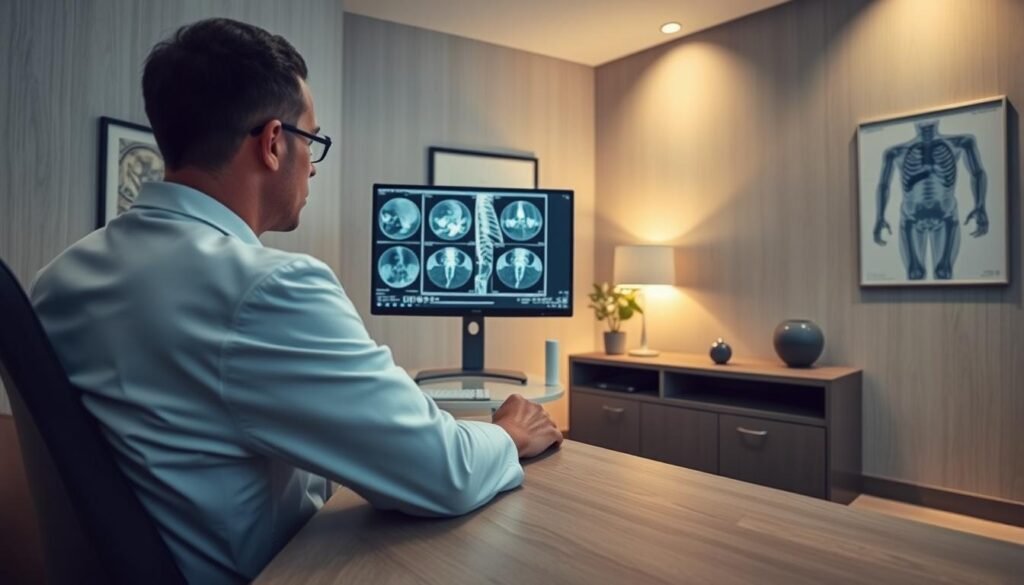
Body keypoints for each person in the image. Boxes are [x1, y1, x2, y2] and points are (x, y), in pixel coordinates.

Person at [30, 18, 562, 585]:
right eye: (313, 142)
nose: (311, 164)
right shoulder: (267, 288)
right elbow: (443, 473)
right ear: (273, 142)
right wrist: (509, 431)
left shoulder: (60, 279)